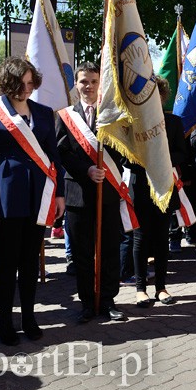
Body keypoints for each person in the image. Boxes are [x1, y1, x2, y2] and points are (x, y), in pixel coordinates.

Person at [0, 57, 66, 345]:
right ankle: (5, 322)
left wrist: (59, 191)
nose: (26, 89)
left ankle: (28, 317)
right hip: (4, 198)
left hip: (38, 197)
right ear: (8, 83)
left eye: (30, 83)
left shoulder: (43, 111)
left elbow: (53, 155)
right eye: (20, 83)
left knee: (29, 262)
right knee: (8, 261)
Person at [56, 62, 127, 323]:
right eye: (84, 81)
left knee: (108, 249)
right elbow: (61, 153)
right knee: (82, 253)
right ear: (76, 83)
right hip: (77, 194)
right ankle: (87, 302)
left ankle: (107, 300)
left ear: (101, 84)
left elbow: (121, 150)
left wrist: (108, 171)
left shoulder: (111, 115)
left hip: (106, 192)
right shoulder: (65, 116)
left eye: (94, 81)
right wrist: (86, 169)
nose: (89, 86)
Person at [131, 77, 185, 307]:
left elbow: (183, 154)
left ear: (163, 97)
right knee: (141, 238)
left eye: (158, 95)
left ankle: (161, 287)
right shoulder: (133, 122)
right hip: (141, 186)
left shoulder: (173, 122)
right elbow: (125, 158)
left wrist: (162, 159)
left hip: (164, 185)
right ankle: (140, 288)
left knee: (162, 237)